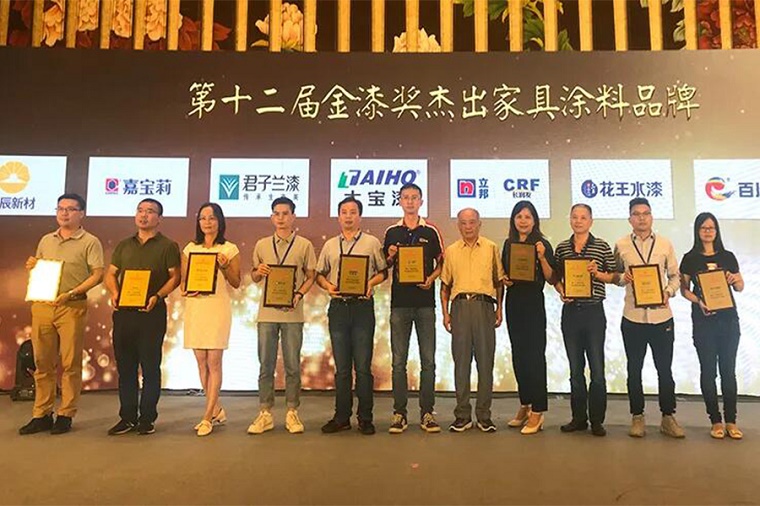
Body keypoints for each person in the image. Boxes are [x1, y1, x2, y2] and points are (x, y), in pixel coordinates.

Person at [19, 193, 104, 436]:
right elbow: (41, 271)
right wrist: (33, 266)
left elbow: (97, 274)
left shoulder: (90, 241)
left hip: (72, 306)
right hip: (43, 306)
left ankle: (66, 413)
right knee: (42, 362)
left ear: (81, 214)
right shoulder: (46, 240)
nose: (64, 213)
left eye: (70, 209)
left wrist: (72, 292)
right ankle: (42, 414)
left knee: (70, 363)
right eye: (60, 208)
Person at [104, 198, 181, 436]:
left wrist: (158, 296)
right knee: (126, 368)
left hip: (151, 313)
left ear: (159, 218)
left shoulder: (168, 246)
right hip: (124, 313)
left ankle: (147, 418)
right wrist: (115, 292)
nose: (143, 215)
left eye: (150, 211)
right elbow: (111, 274)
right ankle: (127, 417)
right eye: (140, 210)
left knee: (150, 367)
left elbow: (175, 277)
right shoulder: (124, 245)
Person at [316, 196, 387, 436]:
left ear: (360, 216)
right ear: (338, 217)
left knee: (363, 367)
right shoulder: (330, 245)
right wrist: (328, 286)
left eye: (353, 212)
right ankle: (341, 417)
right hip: (338, 307)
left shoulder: (371, 242)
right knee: (343, 368)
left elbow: (383, 272)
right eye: (344, 212)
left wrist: (370, 284)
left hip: (362, 308)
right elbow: (319, 274)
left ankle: (365, 418)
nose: (348, 216)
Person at [614, 197, 683, 438]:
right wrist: (623, 278)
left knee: (665, 369)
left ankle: (668, 417)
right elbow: (614, 275)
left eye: (646, 213)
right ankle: (637, 417)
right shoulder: (620, 244)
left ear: (651, 217)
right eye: (636, 214)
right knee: (634, 369)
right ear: (630, 219)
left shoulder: (665, 244)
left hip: (661, 317)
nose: (641, 218)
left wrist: (668, 292)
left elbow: (675, 276)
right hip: (632, 317)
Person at [249, 197, 316, 435]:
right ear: (271, 217)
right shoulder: (262, 245)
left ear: (293, 217)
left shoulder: (304, 245)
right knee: (265, 365)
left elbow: (311, 276)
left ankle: (292, 411)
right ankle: (265, 412)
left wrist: (298, 294)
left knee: (292, 366)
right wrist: (258, 271)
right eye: (276, 213)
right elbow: (254, 277)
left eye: (285, 213)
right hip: (266, 314)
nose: (281, 218)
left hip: (293, 313)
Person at [383, 183, 444, 434]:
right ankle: (399, 413)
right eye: (405, 197)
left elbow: (442, 263)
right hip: (399, 304)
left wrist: (431, 279)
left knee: (428, 361)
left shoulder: (430, 231)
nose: (410, 201)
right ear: (399, 201)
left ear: (421, 201)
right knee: (398, 362)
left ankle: (427, 412)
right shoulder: (391, 232)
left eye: (414, 197)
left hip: (425, 304)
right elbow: (384, 265)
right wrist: (390, 254)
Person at [553, 204, 617, 437]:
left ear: (591, 221)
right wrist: (561, 290)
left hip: (593, 313)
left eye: (583, 217)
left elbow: (616, 276)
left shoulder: (602, 246)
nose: (578, 221)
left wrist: (597, 273)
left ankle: (597, 420)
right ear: (570, 220)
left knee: (597, 370)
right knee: (575, 369)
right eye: (575, 217)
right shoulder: (562, 248)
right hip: (571, 312)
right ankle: (578, 418)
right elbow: (555, 277)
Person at [680, 212, 744, 440]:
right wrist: (699, 301)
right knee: (708, 372)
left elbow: (740, 287)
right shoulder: (689, 258)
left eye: (711, 228)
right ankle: (715, 420)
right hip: (703, 321)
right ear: (697, 231)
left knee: (728, 372)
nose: (708, 231)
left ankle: (731, 421)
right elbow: (684, 290)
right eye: (703, 228)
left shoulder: (728, 257)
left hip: (728, 321)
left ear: (717, 231)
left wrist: (735, 279)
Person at [440, 208, 504, 433]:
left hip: (484, 306)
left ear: (479, 224)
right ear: (458, 225)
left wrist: (499, 309)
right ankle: (462, 415)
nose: (468, 227)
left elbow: (499, 282)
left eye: (472, 222)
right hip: (459, 308)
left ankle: (484, 416)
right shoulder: (451, 251)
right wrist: (445, 313)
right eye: (464, 223)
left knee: (485, 363)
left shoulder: (491, 248)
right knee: (461, 363)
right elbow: (445, 285)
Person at [181, 202, 241, 437]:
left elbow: (236, 282)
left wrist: (224, 267)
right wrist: (188, 289)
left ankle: (207, 417)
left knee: (214, 362)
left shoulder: (229, 249)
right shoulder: (190, 249)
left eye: (212, 218)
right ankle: (216, 409)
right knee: (201, 361)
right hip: (196, 307)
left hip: (217, 307)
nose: (207, 222)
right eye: (203, 218)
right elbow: (184, 283)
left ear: (220, 221)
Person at [502, 200, 555, 435]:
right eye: (519, 216)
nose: (523, 221)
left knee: (534, 357)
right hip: (513, 303)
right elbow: (505, 273)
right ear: (514, 220)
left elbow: (552, 278)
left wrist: (542, 258)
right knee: (519, 355)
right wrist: (505, 279)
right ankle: (525, 403)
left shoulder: (542, 244)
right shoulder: (508, 244)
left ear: (534, 221)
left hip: (533, 304)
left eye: (527, 217)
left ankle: (538, 410)